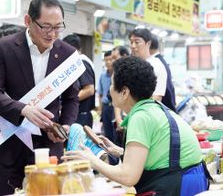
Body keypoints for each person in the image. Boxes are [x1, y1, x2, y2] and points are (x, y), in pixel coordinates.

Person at [63, 56, 209, 196]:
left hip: (178, 186)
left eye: (113, 84)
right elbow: (158, 152)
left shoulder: (141, 117)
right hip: (191, 181)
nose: (110, 90)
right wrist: (119, 151)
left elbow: (128, 177)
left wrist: (92, 160)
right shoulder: (153, 108)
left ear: (125, 92)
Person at [0, 0, 79, 196]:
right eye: (46, 26)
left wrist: (65, 126)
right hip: (10, 143)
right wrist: (23, 109)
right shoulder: (4, 47)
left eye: (58, 27)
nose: (52, 34)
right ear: (28, 21)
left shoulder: (67, 53)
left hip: (47, 147)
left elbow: (71, 99)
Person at [63, 34, 95, 128]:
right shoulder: (78, 61)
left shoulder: (81, 62)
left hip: (82, 116)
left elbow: (89, 90)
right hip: (79, 114)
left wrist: (69, 101)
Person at [129, 28, 167, 102]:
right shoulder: (130, 65)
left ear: (148, 43)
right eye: (131, 42)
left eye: (137, 42)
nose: (133, 46)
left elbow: (157, 97)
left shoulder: (157, 65)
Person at [97, 50, 117, 165]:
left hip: (116, 108)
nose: (108, 62)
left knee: (117, 135)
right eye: (106, 60)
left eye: (110, 59)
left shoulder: (118, 75)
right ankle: (113, 164)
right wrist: (100, 109)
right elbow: (100, 94)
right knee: (107, 136)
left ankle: (121, 163)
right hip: (106, 108)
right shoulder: (102, 76)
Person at [150, 34, 176, 112]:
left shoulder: (156, 63)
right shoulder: (159, 60)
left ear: (148, 44)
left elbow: (158, 95)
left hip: (163, 109)